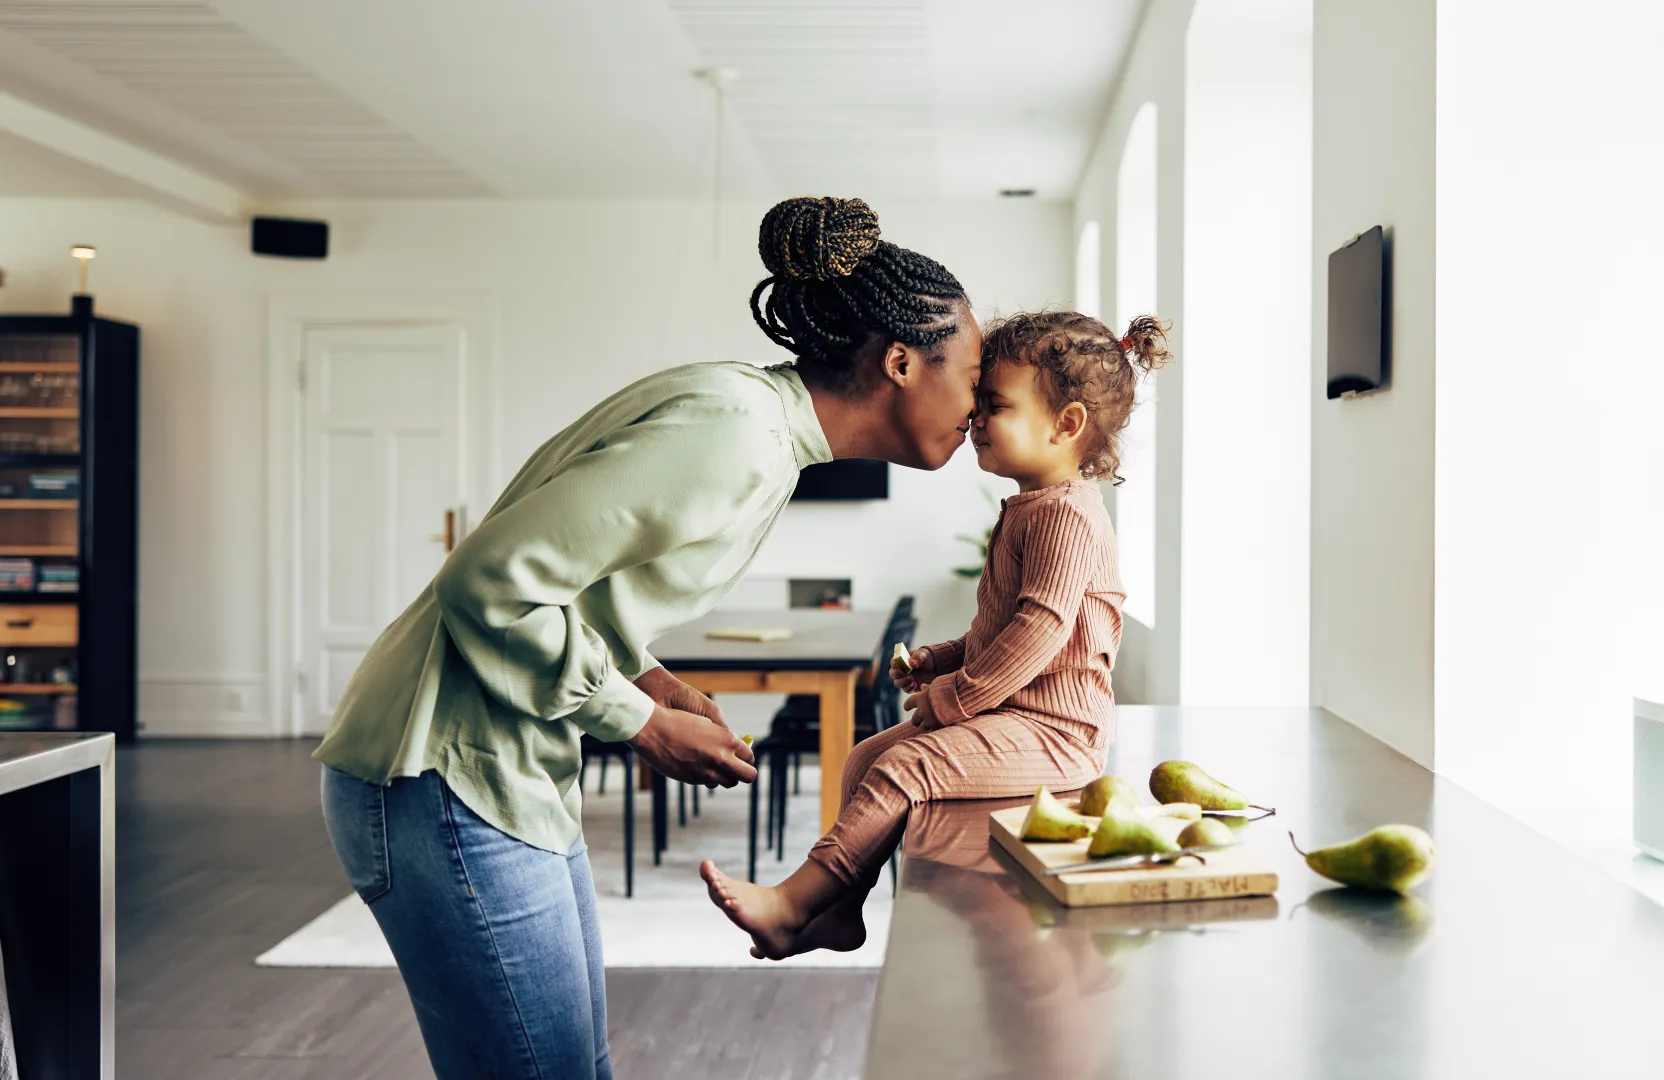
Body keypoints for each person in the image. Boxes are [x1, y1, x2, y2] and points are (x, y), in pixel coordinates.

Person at [313, 196, 982, 1080]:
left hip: (486, 772)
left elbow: (571, 582)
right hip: (440, 773)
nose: (979, 405)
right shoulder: (736, 436)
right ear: (901, 362)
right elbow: (489, 581)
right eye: (971, 374)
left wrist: (650, 678)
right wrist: (637, 722)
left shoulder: (756, 426)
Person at [701, 310, 1173, 961]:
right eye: (977, 403)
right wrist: (943, 657)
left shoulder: (1067, 517)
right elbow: (1008, 627)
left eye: (995, 406)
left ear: (1066, 425)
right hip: (1015, 715)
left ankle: (793, 904)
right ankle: (841, 911)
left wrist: (959, 694)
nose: (975, 418)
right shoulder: (1035, 508)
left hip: (1059, 733)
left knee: (903, 768)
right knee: (866, 758)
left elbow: (1041, 630)